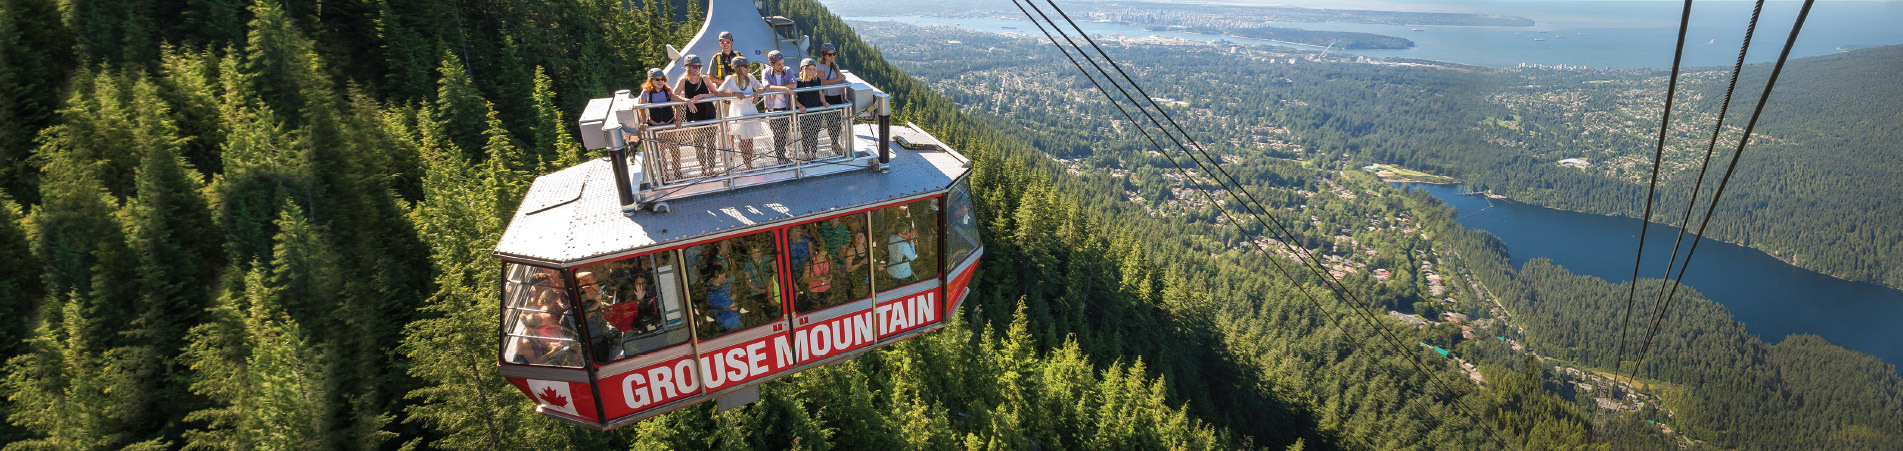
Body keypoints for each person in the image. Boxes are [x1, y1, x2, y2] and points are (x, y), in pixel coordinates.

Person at [718, 56, 790, 169]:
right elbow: (720, 92)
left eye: (748, 66)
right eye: (745, 66)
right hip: (738, 110)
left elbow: (760, 87)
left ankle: (749, 162)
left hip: (750, 109)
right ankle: (746, 162)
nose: (748, 68)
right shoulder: (730, 80)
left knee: (749, 138)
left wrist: (756, 94)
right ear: (737, 68)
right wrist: (734, 94)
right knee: (743, 138)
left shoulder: (750, 77)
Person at [637, 68, 691, 179]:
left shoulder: (667, 91)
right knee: (659, 152)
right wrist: (643, 122)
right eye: (657, 79)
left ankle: (677, 172)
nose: (660, 81)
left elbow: (676, 101)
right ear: (651, 80)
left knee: (674, 150)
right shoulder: (646, 93)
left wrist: (678, 118)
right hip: (655, 126)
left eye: (662, 79)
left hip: (669, 123)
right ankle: (663, 174)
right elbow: (641, 108)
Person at [675, 55, 721, 176]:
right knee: (698, 143)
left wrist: (702, 96)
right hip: (694, 115)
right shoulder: (683, 81)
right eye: (695, 66)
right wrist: (687, 101)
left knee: (711, 142)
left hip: (708, 113)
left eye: (699, 66)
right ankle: (703, 166)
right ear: (688, 67)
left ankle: (711, 168)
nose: (697, 69)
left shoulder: (704, 79)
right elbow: (673, 96)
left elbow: (716, 93)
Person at [759, 50, 798, 165]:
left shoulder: (787, 70)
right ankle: (780, 157)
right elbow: (767, 86)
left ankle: (782, 156)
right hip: (773, 108)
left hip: (785, 107)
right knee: (777, 134)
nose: (781, 67)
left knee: (783, 133)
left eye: (782, 63)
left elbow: (794, 84)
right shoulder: (766, 72)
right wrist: (785, 89)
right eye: (778, 64)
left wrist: (778, 88)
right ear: (772, 64)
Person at [794, 58, 835, 159]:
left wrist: (824, 102)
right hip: (805, 111)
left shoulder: (817, 80)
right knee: (805, 133)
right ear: (804, 70)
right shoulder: (798, 83)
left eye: (813, 69)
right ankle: (806, 153)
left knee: (815, 133)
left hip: (816, 110)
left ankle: (814, 153)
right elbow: (793, 98)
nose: (812, 72)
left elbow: (820, 93)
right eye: (809, 69)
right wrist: (800, 106)